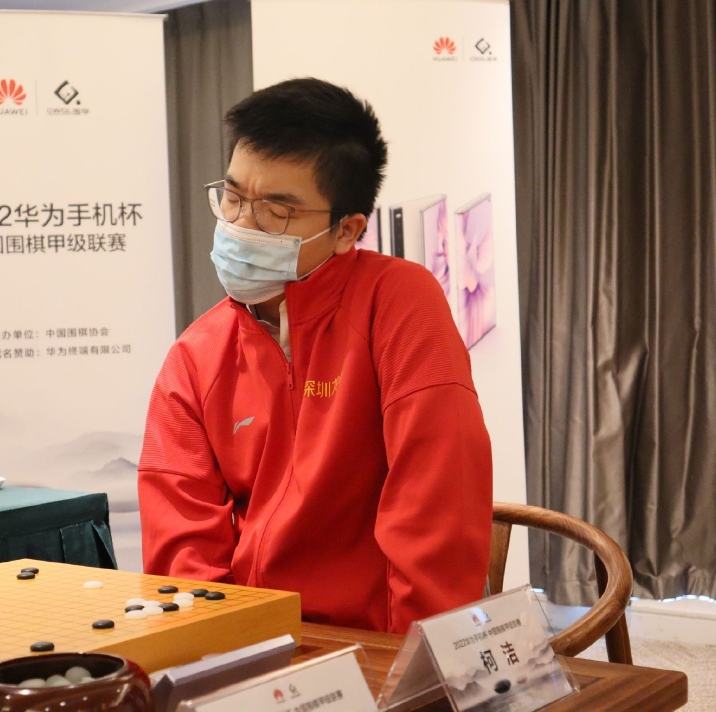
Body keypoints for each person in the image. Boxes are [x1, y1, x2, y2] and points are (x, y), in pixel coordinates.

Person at [138, 78, 492, 634]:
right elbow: (183, 556)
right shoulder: (196, 356)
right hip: (256, 641)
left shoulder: (397, 301)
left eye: (276, 210)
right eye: (233, 196)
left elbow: (438, 501)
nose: (240, 224)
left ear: (347, 230)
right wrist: (228, 656)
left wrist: (414, 661)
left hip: (377, 639)